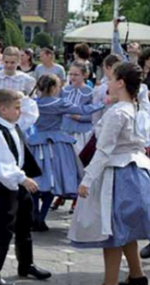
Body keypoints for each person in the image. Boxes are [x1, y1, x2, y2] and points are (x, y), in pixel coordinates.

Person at [68, 62, 150, 285]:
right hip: (137, 171)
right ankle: (135, 272)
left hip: (117, 173)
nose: (108, 83)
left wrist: (87, 180)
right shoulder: (137, 109)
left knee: (111, 229)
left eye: (112, 79)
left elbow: (103, 151)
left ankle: (110, 284)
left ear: (121, 82)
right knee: (124, 229)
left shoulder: (117, 112)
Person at [0, 89, 51, 285]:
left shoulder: (13, 124)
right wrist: (23, 178)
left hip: (18, 187)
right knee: (3, 231)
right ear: (3, 110)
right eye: (17, 108)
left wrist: (25, 98)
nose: (20, 111)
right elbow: (4, 168)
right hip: (5, 189)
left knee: (24, 225)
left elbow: (31, 113)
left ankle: (26, 264)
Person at [28, 74, 103, 232]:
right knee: (54, 180)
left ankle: (35, 215)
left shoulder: (32, 103)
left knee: (36, 179)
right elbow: (83, 110)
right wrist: (104, 103)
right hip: (57, 144)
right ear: (55, 88)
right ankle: (41, 218)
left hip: (36, 142)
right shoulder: (59, 103)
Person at [61, 62, 99, 154]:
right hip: (64, 130)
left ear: (85, 75)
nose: (72, 77)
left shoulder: (91, 92)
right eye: (70, 74)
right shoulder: (64, 90)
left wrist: (79, 117)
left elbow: (95, 115)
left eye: (76, 75)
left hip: (82, 133)